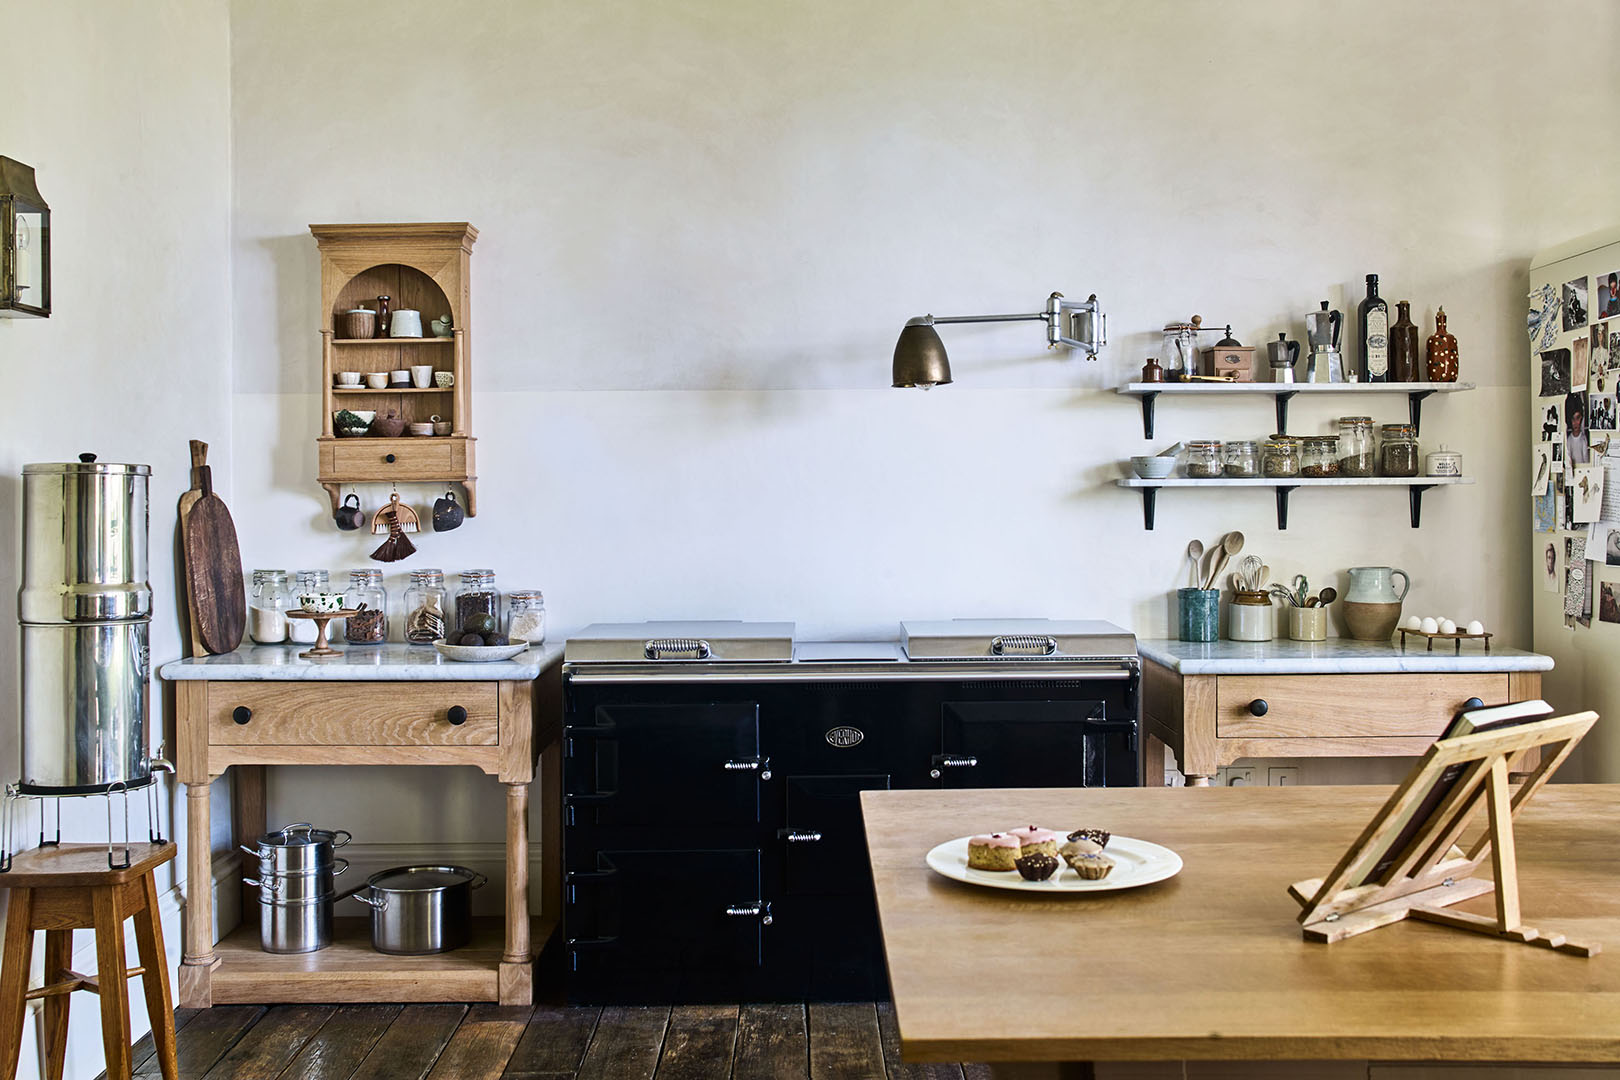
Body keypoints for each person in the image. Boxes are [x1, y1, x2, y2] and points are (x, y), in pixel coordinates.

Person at [1568, 393, 1590, 464]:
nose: (1575, 423)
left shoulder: (1584, 438)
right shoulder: (1569, 440)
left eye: (1577, 418)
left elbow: (1586, 460)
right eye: (1573, 419)